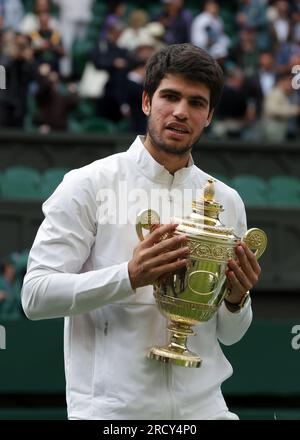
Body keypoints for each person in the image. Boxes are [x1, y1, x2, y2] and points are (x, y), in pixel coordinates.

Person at [22, 43, 262, 420]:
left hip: (206, 410)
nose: (181, 112)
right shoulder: (88, 184)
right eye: (170, 97)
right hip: (112, 414)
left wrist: (235, 300)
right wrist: (129, 276)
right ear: (147, 102)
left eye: (196, 103)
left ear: (210, 115)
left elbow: (230, 335)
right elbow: (35, 297)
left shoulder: (227, 201)